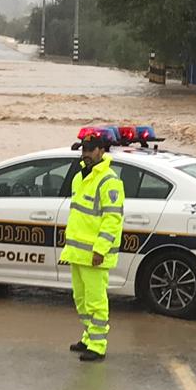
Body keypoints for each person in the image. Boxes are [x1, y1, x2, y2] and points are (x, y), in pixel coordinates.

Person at [61, 128, 126, 362]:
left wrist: (100, 249)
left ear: (101, 150)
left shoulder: (109, 182)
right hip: (78, 252)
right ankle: (89, 337)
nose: (86, 154)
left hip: (95, 254)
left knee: (96, 300)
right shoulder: (80, 177)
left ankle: (98, 346)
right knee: (81, 298)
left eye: (90, 150)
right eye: (83, 150)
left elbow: (112, 219)